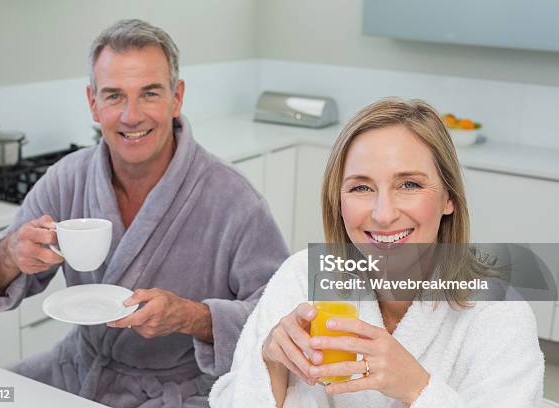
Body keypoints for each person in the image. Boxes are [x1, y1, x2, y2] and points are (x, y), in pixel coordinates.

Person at [0, 19, 289, 408]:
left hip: (182, 393)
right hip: (78, 371)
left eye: (149, 93)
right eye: (114, 96)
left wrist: (193, 317)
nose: (131, 116)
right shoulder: (69, 178)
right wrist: (10, 255)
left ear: (176, 97)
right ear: (93, 103)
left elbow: (280, 320)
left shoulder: (235, 200)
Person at [209, 98, 544, 407]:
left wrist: (417, 387)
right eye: (361, 187)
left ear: (448, 198)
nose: (383, 214)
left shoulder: (500, 311)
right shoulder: (303, 276)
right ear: (337, 202)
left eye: (409, 184)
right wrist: (271, 364)